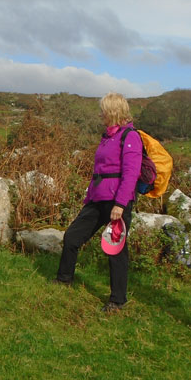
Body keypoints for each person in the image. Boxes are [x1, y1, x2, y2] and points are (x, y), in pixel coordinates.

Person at [54, 92, 142, 312]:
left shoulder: (130, 136)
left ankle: (117, 300)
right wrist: (88, 198)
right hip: (97, 199)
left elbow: (131, 174)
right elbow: (99, 171)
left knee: (115, 251)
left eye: (103, 109)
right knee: (72, 236)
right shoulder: (107, 136)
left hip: (116, 202)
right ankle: (64, 279)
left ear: (113, 111)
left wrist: (120, 205)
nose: (100, 113)